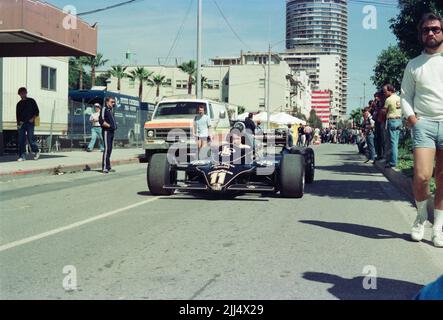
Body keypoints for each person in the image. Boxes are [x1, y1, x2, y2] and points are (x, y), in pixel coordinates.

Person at [401, 12, 443, 247]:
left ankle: (438, 228)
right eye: (426, 30)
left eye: (435, 29)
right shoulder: (414, 64)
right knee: (422, 176)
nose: (431, 33)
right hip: (424, 124)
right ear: (421, 34)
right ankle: (420, 216)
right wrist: (413, 119)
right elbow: (406, 96)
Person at [16, 87, 40, 161]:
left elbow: (37, 111)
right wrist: (18, 124)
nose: (23, 94)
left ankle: (36, 151)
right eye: (21, 93)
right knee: (21, 140)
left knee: (30, 139)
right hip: (22, 124)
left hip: (30, 123)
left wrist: (33, 118)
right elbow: (18, 115)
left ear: (26, 93)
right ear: (19, 94)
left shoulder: (31, 101)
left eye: (24, 92)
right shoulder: (19, 104)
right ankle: (22, 156)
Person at [383, 84, 402, 168]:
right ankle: (392, 160)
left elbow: (384, 111)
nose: (384, 93)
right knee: (395, 142)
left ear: (390, 90)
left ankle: (393, 162)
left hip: (392, 120)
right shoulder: (399, 98)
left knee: (392, 142)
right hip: (399, 120)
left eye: (385, 91)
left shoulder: (388, 99)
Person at [99, 96, 117, 174]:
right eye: (112, 102)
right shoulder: (104, 109)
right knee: (106, 149)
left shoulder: (111, 110)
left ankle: (108, 167)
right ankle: (104, 167)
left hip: (112, 132)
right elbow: (101, 121)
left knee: (110, 149)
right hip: (106, 132)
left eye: (114, 102)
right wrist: (109, 126)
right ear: (107, 102)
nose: (113, 103)